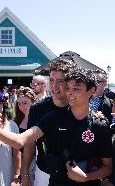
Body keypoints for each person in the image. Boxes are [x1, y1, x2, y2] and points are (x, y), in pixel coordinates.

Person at [0, 68, 113, 186]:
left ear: (91, 91)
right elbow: (20, 141)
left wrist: (86, 177)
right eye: (68, 88)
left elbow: (107, 167)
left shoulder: (100, 125)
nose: (70, 93)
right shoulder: (53, 118)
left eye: (76, 88)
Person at [23, 58, 77, 186]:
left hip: (75, 173)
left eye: (60, 81)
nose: (54, 86)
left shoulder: (79, 106)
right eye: (52, 80)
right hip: (45, 172)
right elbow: (29, 143)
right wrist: (24, 173)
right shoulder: (37, 109)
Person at [14, 86, 37, 183]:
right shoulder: (17, 120)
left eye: (25, 103)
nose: (21, 106)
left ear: (32, 101)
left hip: (35, 161)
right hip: (19, 159)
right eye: (19, 103)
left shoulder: (39, 120)